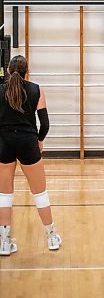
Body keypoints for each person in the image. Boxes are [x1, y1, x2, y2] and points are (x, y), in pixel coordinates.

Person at [0, 55, 61, 255]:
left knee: (4, 195)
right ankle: (51, 237)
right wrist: (39, 140)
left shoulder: (1, 89)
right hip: (28, 142)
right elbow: (45, 124)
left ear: (9, 71)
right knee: (40, 193)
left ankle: (4, 242)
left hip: (4, 143)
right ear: (27, 71)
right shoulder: (36, 89)